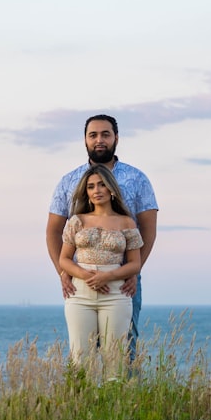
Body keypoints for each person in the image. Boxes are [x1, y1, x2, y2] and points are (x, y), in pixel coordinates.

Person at [46, 114, 158, 348]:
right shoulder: (69, 181)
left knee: (123, 349)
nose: (99, 140)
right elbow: (53, 231)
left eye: (105, 134)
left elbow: (147, 231)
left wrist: (132, 273)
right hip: (80, 281)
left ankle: (121, 386)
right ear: (85, 140)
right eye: (93, 135)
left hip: (122, 281)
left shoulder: (138, 179)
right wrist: (63, 273)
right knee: (82, 351)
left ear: (116, 138)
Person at [59, 165, 143, 371]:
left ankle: (115, 402)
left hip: (116, 293)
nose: (96, 190)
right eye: (90, 186)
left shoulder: (126, 222)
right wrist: (86, 276)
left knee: (115, 361)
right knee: (80, 362)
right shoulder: (77, 221)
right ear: (86, 192)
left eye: (101, 185)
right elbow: (64, 259)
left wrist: (108, 276)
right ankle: (79, 403)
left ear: (111, 189)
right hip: (79, 294)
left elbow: (135, 264)